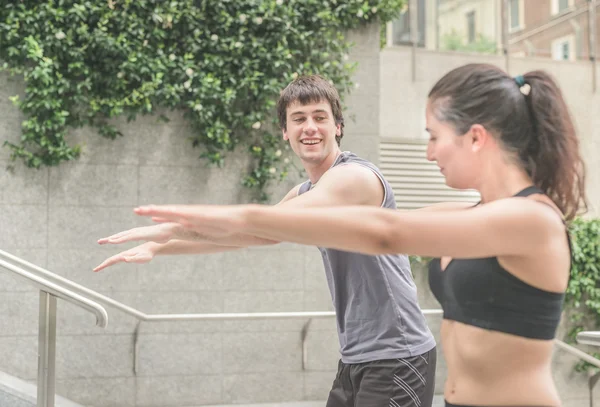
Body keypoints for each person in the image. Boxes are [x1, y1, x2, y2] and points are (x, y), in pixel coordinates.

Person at [130, 63, 587, 407]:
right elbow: (271, 231)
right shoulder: (472, 215)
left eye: (433, 136)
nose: (427, 154)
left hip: (403, 362)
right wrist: (167, 241)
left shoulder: (530, 220)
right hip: (409, 378)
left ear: (475, 137)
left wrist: (215, 215)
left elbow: (384, 232)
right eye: (298, 119)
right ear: (284, 132)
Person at [95, 75, 437, 407]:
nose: (310, 127)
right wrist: (159, 247)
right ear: (285, 132)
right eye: (298, 119)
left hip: (397, 354)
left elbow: (262, 228)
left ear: (338, 127)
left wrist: (171, 227)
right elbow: (248, 236)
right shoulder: (306, 191)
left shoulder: (355, 178)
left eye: (321, 117)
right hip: (356, 357)